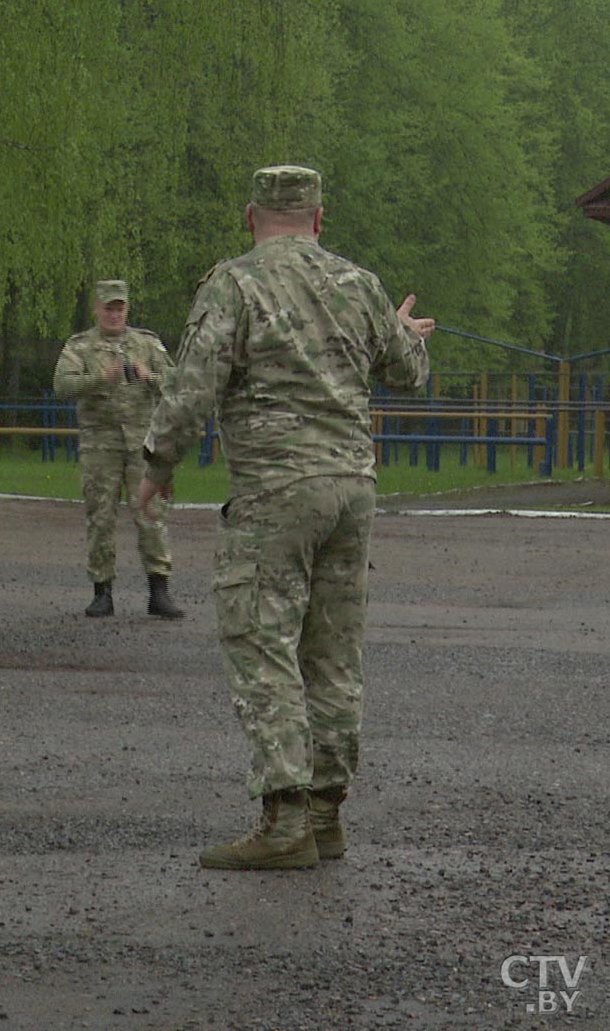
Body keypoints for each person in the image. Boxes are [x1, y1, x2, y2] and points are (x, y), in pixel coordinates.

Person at [137, 164, 433, 871]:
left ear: (250, 217)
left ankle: (285, 817)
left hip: (277, 487)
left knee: (262, 642)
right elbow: (408, 372)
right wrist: (399, 332)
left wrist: (158, 461)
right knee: (333, 650)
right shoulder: (360, 285)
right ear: (319, 219)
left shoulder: (235, 283)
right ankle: (327, 813)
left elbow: (195, 381)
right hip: (351, 488)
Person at [52, 279, 183, 619]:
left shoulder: (147, 343)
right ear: (96, 308)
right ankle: (102, 591)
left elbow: (178, 383)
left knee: (151, 513)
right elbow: (62, 385)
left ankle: (159, 590)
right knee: (100, 516)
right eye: (107, 307)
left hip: (141, 443)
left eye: (119, 308)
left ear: (127, 309)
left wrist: (147, 374)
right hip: (100, 444)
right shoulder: (80, 347)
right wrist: (99, 379)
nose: (113, 314)